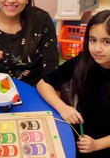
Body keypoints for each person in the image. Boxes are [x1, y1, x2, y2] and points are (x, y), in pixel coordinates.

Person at [37, 10, 110, 157]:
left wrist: (97, 145)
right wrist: (63, 107)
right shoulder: (83, 61)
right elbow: (43, 84)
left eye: (106, 42)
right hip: (80, 134)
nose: (97, 49)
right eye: (93, 40)